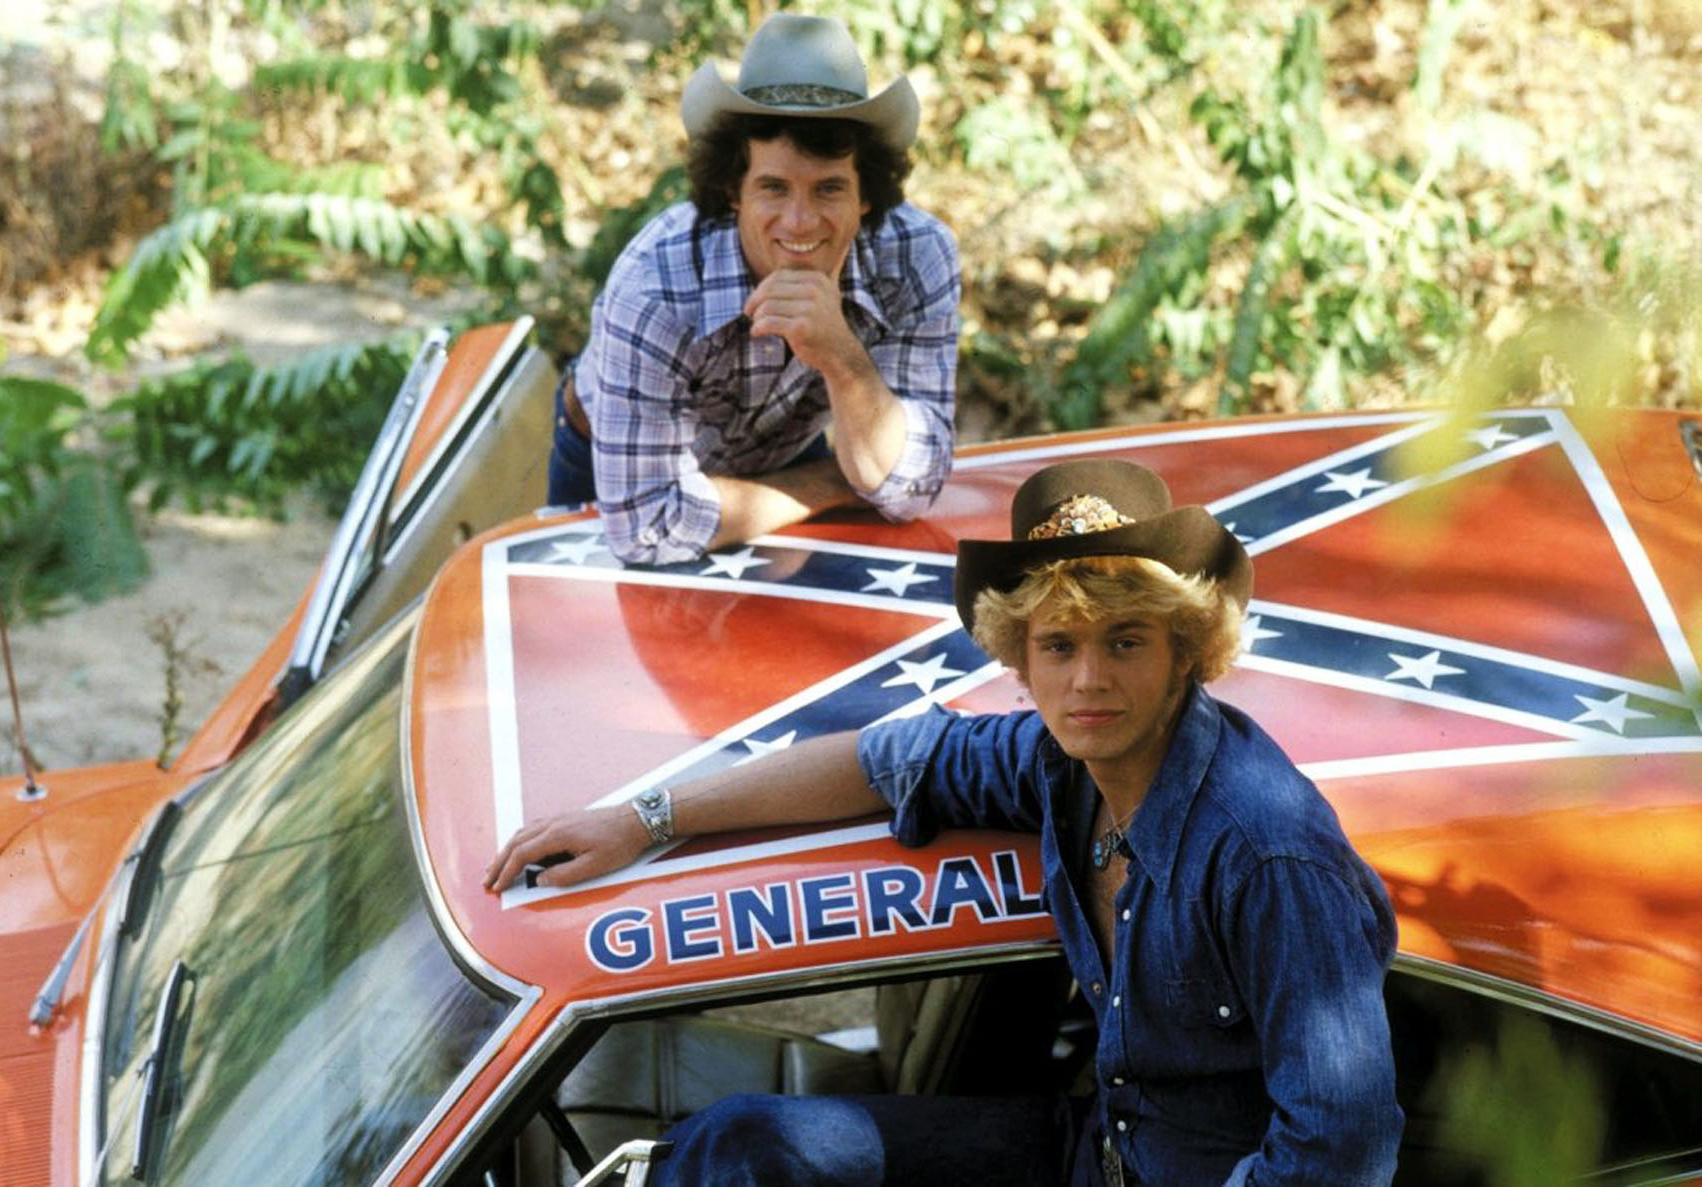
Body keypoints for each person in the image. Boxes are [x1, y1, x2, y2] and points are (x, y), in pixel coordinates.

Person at [485, 458, 1403, 1185]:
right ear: (1023, 660)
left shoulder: (1269, 853)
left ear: (1185, 651)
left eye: (1125, 641)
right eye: (1060, 645)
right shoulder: (1058, 761)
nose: (1089, 679)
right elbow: (878, 760)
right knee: (744, 1144)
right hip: (1092, 1147)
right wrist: (643, 818)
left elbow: (1339, 1152)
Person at [549, 12, 960, 565]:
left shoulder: (916, 257)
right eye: (773, 188)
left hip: (785, 447)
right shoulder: (656, 286)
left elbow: (913, 487)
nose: (800, 221)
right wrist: (836, 482)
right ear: (733, 190)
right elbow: (646, 527)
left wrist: (841, 357)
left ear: (866, 195)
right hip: (615, 461)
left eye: (829, 189)